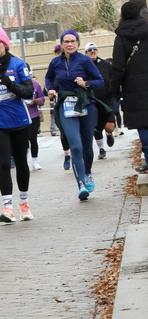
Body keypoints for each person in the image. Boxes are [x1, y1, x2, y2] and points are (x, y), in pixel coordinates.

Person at [0, 27, 35, 223]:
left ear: (5, 44)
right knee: (3, 162)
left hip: (19, 121)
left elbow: (29, 92)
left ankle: (24, 203)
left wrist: (10, 84)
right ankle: (8, 207)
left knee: (20, 161)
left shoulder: (18, 64)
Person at [45, 30, 104, 200]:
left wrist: (86, 83)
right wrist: (50, 89)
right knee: (75, 146)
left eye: (73, 41)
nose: (70, 44)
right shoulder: (55, 62)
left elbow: (99, 81)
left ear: (78, 43)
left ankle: (87, 172)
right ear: (62, 44)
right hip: (66, 106)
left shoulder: (85, 60)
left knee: (87, 147)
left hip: (85, 105)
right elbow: (48, 79)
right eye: (66, 41)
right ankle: (81, 185)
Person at [110, 0, 148, 172]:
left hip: (134, 89)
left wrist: (114, 90)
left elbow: (118, 68)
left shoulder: (121, 38)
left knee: (144, 125)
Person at [83, 42, 115, 159]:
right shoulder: (83, 66)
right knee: (96, 126)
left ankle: (109, 133)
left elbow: (114, 77)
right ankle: (101, 149)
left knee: (109, 126)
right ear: (86, 53)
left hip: (107, 98)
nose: (93, 51)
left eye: (94, 49)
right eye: (90, 50)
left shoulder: (106, 65)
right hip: (93, 99)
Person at [25, 75, 46, 170]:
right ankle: (22, 161)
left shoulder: (35, 84)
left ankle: (35, 161)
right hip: (20, 116)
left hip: (33, 115)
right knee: (22, 141)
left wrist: (36, 101)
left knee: (33, 139)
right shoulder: (16, 84)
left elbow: (42, 98)